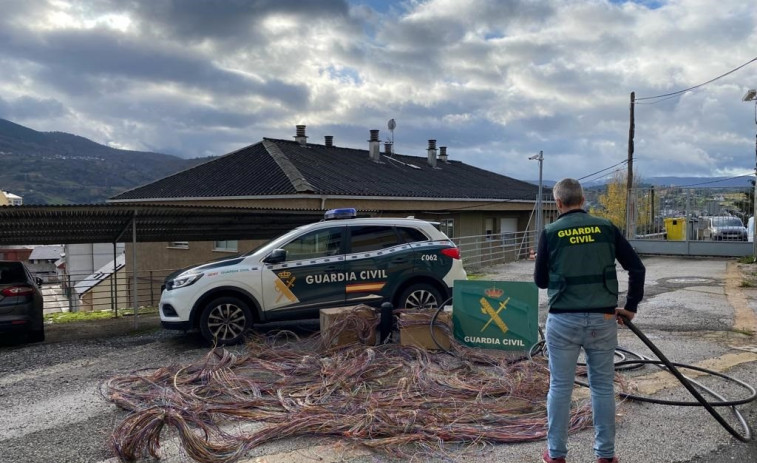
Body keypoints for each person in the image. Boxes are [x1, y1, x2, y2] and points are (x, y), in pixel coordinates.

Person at [533, 178, 645, 463]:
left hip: (562, 321)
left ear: (558, 203)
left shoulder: (550, 232)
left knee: (560, 386)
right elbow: (636, 268)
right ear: (583, 200)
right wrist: (630, 307)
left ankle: (556, 455)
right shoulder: (607, 228)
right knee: (603, 386)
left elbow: (541, 282)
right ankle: (606, 455)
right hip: (603, 318)